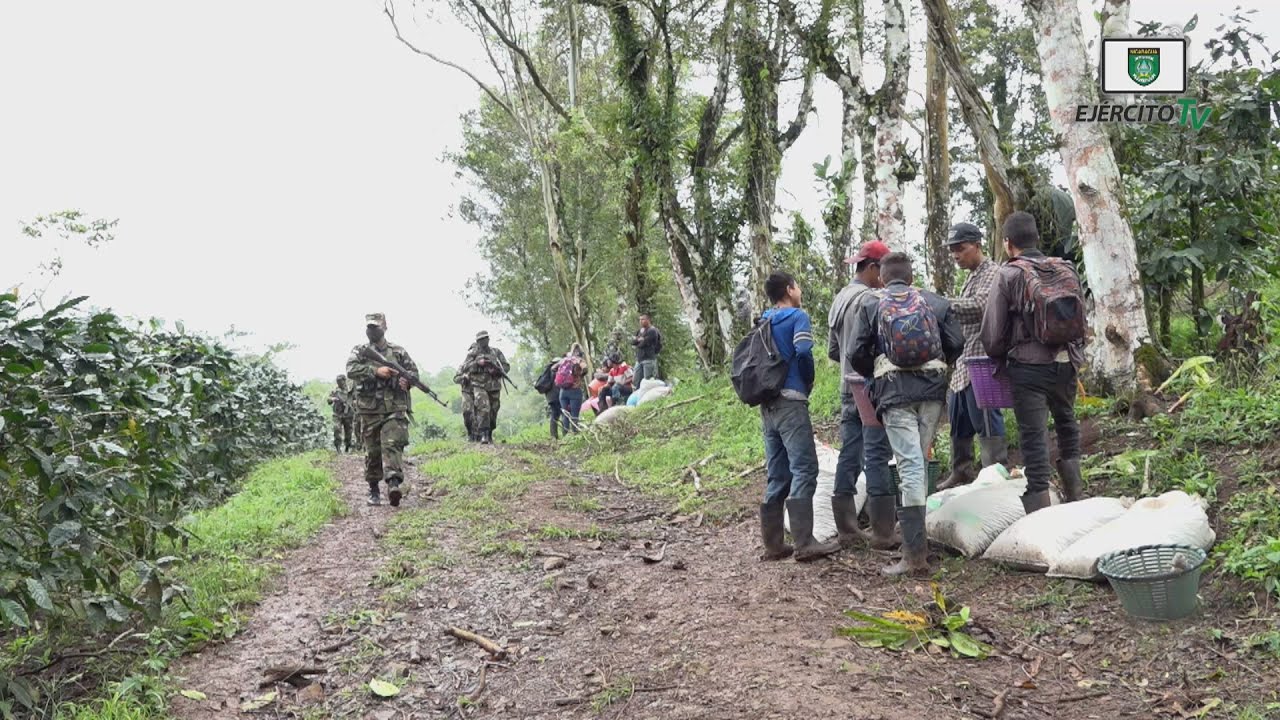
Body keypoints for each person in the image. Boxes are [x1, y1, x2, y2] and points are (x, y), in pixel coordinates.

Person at [850, 253, 964, 576]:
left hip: (894, 393)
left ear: (883, 279)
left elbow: (856, 353)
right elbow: (957, 341)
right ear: (911, 278)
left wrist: (878, 370)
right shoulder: (935, 302)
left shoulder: (872, 305)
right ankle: (918, 545)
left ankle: (914, 556)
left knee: (910, 465)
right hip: (931, 391)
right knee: (920, 461)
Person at [981, 211, 1085, 514]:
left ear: (1008, 243)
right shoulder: (1065, 268)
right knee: (1066, 421)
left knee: (1034, 433)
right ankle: (1075, 494)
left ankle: (1040, 506)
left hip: (1028, 366)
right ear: (1037, 238)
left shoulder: (1009, 274)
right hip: (1066, 360)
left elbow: (993, 333)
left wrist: (1000, 358)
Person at [757, 271, 841, 563]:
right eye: (798, 285)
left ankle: (773, 544)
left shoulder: (763, 320)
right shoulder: (796, 317)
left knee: (778, 472)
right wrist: (807, 380)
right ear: (790, 289)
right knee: (804, 469)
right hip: (791, 401)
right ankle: (805, 542)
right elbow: (804, 351)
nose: (800, 290)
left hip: (766, 405)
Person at [827, 240, 897, 549]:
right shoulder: (871, 300)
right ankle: (883, 532)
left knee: (850, 453)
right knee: (878, 453)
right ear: (873, 268)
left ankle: (846, 529)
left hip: (847, 387)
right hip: (869, 386)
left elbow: (833, 350)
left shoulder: (841, 297)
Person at [936, 223, 1009, 491]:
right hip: (964, 364)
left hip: (983, 361)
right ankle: (962, 471)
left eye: (961, 249)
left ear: (977, 245)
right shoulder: (972, 274)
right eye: (953, 250)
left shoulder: (993, 273)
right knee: (959, 418)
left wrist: (942, 305)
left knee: (987, 420)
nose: (956, 255)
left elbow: (980, 306)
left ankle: (995, 473)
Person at [346, 313, 418, 507]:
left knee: (392, 444)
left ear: (385, 327)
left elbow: (413, 373)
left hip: (394, 407)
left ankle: (394, 484)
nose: (372, 331)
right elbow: (351, 370)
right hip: (369, 410)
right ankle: (374, 489)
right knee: (373, 451)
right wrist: (375, 371)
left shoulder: (398, 352)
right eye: (369, 328)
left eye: (376, 328)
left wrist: (406, 381)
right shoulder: (360, 351)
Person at [458, 331, 510, 445]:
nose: (483, 341)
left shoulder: (496, 352)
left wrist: (496, 371)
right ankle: (484, 434)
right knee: (483, 408)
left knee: (493, 410)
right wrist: (478, 363)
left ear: (488, 339)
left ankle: (490, 432)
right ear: (477, 341)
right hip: (478, 385)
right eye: (480, 340)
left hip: (494, 386)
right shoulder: (472, 354)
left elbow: (506, 366)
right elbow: (465, 367)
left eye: (484, 339)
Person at [556, 344, 588, 433]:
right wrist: (579, 376)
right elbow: (585, 369)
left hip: (563, 391)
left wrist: (563, 378)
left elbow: (553, 368)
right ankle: (575, 434)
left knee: (565, 415)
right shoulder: (579, 360)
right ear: (580, 352)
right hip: (575, 390)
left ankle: (565, 435)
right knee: (574, 415)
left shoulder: (565, 360)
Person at [631, 315, 662, 382]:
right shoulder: (640, 331)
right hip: (639, 359)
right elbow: (633, 342)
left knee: (648, 380)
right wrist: (639, 339)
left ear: (648, 320)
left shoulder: (652, 330)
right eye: (640, 320)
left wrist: (639, 340)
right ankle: (637, 392)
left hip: (649, 358)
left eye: (643, 319)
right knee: (635, 380)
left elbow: (643, 343)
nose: (641, 321)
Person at [328, 375, 355, 453]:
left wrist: (352, 403)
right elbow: (329, 400)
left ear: (344, 381)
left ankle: (347, 446)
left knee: (348, 432)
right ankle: (338, 447)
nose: (339, 383)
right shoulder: (335, 391)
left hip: (348, 414)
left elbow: (356, 399)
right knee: (337, 429)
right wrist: (332, 399)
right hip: (337, 414)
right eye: (338, 381)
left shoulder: (350, 391)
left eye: (340, 381)